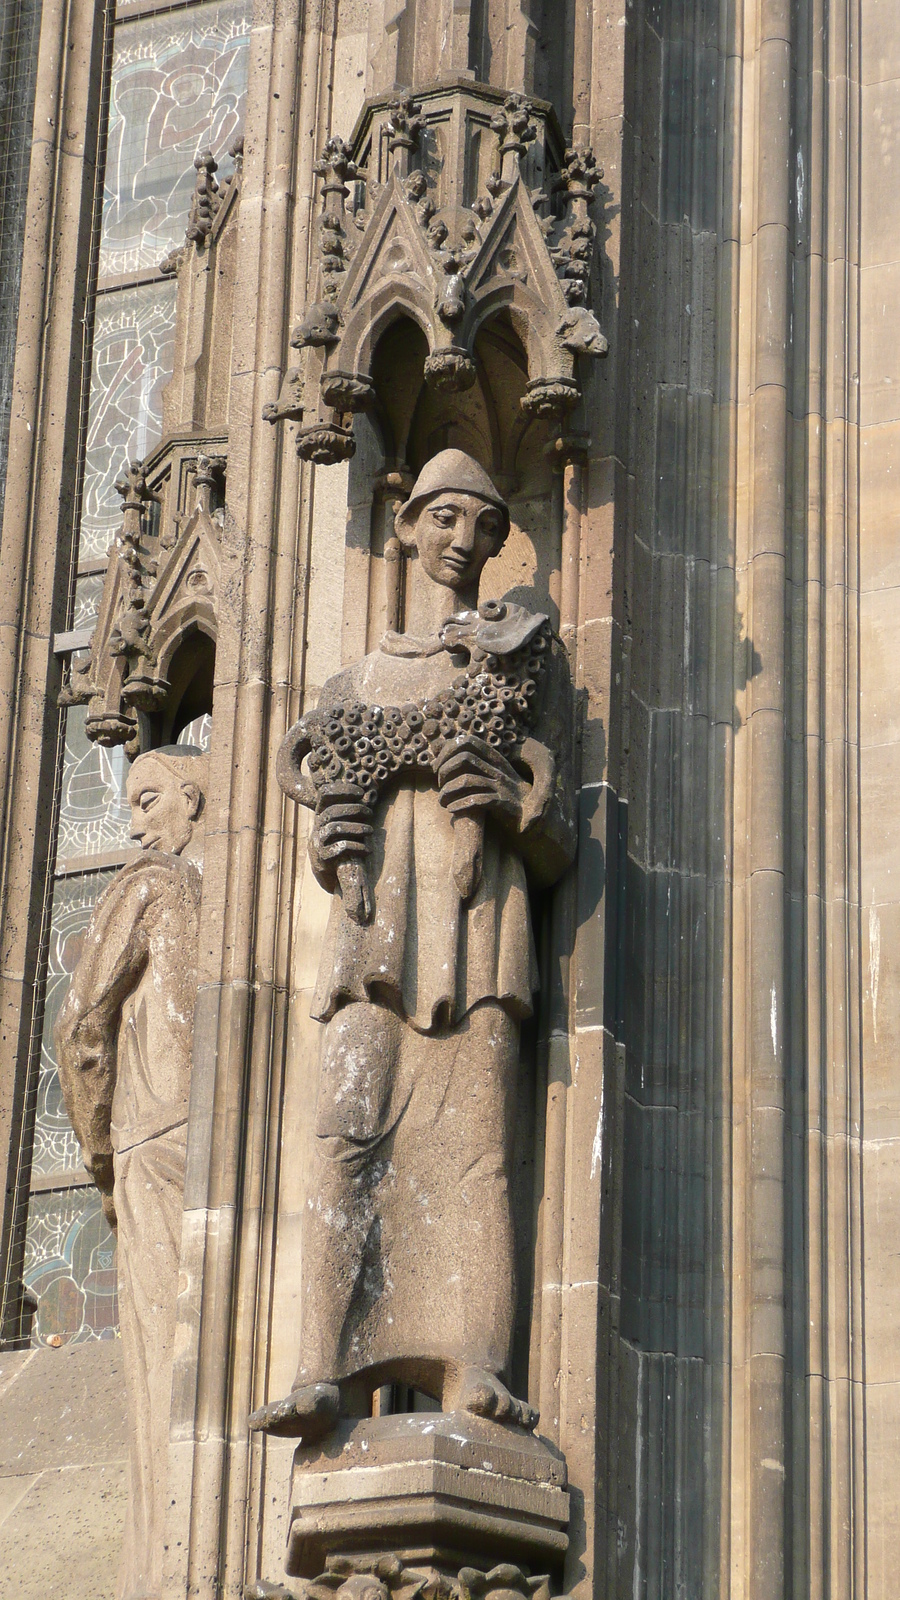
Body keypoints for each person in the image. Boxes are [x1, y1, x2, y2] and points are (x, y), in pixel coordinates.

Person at [252, 451, 575, 1442]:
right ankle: (323, 1366)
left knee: (479, 1149)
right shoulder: (356, 679)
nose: (460, 541)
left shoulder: (517, 663)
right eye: (440, 518)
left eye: (479, 522)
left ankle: (477, 1366)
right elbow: (324, 803)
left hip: (478, 938)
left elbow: (555, 827)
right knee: (347, 1136)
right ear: (406, 526)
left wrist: (514, 804)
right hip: (374, 939)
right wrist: (331, 840)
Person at [56, 745, 207, 1600]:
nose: (136, 819)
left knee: (160, 1365)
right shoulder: (246, 889)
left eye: (149, 799)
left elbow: (82, 1016)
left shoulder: (155, 882)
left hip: (151, 1138)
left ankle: (166, 1565)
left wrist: (99, 1146)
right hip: (228, 1143)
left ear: (193, 796)